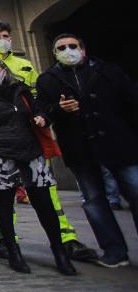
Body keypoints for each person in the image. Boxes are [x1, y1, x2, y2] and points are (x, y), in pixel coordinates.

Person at [0, 21, 96, 263]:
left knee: (47, 193)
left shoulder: (24, 65)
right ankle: (5, 238)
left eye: (6, 35)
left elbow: (39, 100)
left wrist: (43, 115)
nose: (3, 39)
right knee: (1, 197)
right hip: (0, 145)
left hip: (29, 139)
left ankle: (65, 238)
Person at [0, 56, 77, 275]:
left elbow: (39, 110)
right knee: (4, 205)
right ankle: (12, 249)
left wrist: (41, 117)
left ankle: (59, 252)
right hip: (1, 155)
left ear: (4, 71)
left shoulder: (21, 91)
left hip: (30, 153)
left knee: (44, 203)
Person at [37, 33, 138, 268]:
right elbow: (43, 112)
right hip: (81, 150)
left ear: (83, 49)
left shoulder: (108, 72)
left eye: (73, 46)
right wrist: (59, 109)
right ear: (54, 54)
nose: (68, 50)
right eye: (62, 47)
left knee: (135, 191)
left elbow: (130, 104)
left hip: (119, 144)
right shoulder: (48, 80)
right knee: (94, 201)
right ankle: (114, 251)